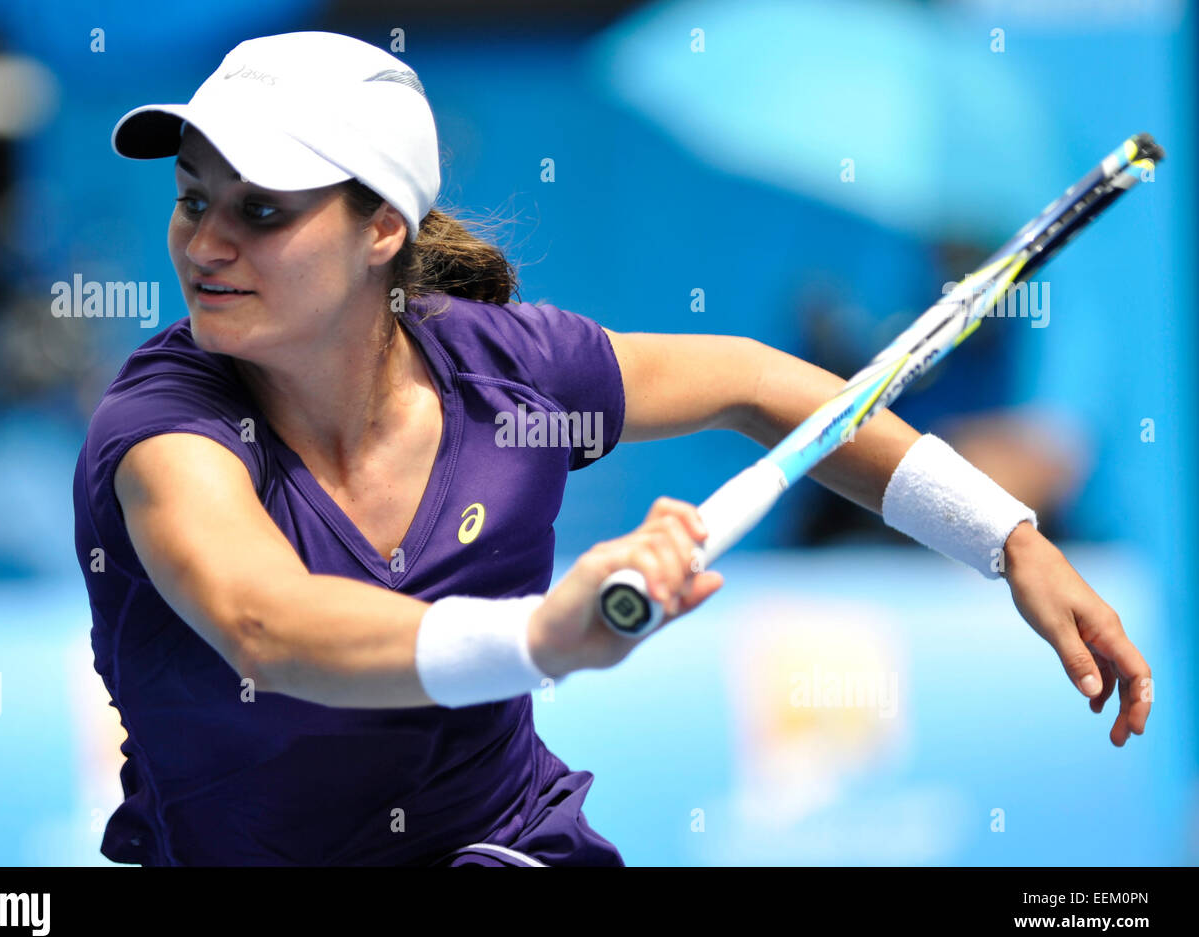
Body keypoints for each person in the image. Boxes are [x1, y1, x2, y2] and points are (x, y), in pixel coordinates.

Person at [73, 31, 1152, 867]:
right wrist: (541, 634)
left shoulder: (510, 372)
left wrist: (1005, 539)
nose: (206, 242)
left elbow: (759, 384)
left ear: (382, 228)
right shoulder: (166, 427)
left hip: (496, 844)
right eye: (192, 200)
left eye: (261, 209)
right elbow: (266, 624)